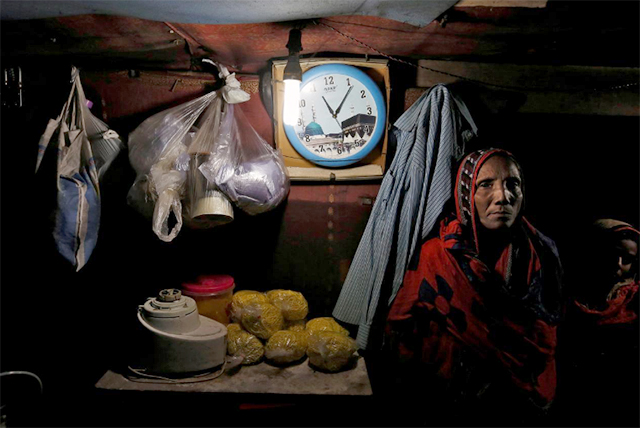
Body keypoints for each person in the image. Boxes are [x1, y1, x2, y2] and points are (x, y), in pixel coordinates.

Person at [385, 148, 564, 426]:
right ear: (466, 194)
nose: (502, 197)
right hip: (446, 405)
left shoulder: (543, 256)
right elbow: (401, 331)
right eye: (486, 185)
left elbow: (546, 334)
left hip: (520, 408)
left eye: (512, 184)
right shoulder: (436, 258)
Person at [556, 219, 639, 427]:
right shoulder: (559, 299)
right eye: (612, 254)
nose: (618, 264)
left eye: (627, 259)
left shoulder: (634, 301)